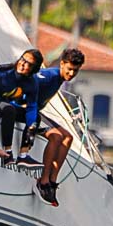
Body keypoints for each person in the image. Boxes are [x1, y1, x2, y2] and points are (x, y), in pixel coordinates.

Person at [26, 48, 86, 205]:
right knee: (56, 136)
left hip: (36, 112)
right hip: (26, 112)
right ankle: (43, 181)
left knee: (68, 138)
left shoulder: (59, 79)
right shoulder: (49, 76)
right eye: (69, 69)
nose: (71, 74)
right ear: (62, 64)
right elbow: (26, 82)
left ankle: (52, 180)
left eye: (75, 71)